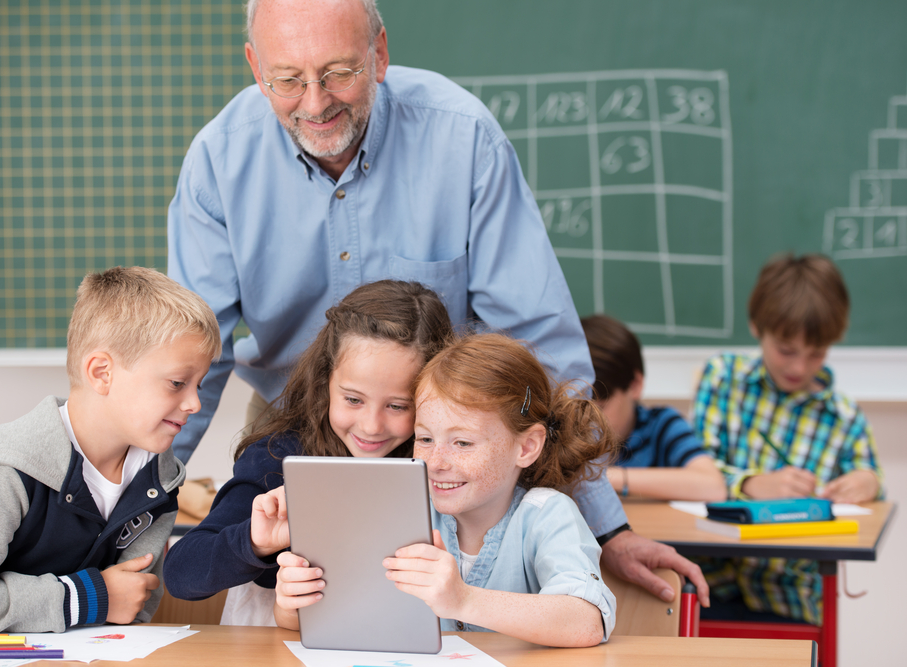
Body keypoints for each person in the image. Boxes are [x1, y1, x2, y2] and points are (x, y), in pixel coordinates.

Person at [166, 0, 709, 608]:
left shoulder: (462, 136)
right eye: (288, 79)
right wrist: (134, 514)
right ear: (254, 65)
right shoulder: (220, 159)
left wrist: (608, 526)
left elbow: (540, 347)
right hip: (300, 425)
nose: (315, 103)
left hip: (447, 443)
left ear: (379, 54)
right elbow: (192, 360)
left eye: (340, 72)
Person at [0, 267, 221, 633]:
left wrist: (111, 601)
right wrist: (94, 596)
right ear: (101, 373)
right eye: (177, 383)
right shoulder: (9, 472)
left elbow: (135, 605)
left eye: (199, 385)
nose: (194, 403)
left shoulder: (160, 478)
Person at [275, 333, 617, 646]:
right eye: (424, 439)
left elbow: (587, 622)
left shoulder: (548, 517)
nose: (436, 461)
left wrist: (463, 600)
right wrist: (293, 604)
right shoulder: (399, 512)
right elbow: (326, 620)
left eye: (463, 442)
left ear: (526, 447)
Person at [162, 280, 456, 625]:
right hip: (280, 644)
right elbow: (182, 573)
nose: (372, 426)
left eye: (397, 405)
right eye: (353, 400)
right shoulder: (278, 458)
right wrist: (255, 541)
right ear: (325, 381)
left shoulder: (443, 465)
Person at [693, 253, 883, 625]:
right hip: (709, 585)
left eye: (816, 353)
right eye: (786, 350)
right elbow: (692, 468)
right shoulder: (722, 379)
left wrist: (867, 482)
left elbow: (872, 479)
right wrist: (751, 483)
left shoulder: (843, 416)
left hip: (791, 600)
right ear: (756, 326)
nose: (799, 367)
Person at [581, 314, 726, 501]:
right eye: (578, 410)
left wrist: (605, 477)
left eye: (600, 408)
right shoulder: (561, 435)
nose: (588, 422)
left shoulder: (662, 425)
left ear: (634, 385)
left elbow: (713, 487)